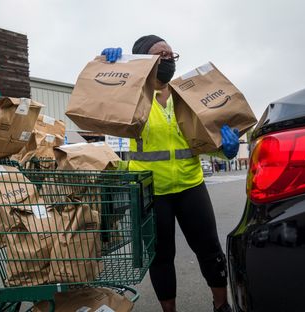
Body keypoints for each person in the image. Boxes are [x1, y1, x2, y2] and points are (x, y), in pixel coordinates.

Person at [101, 35, 239, 312]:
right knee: (161, 258)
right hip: (152, 191)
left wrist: (225, 150)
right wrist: (110, 66)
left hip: (191, 185)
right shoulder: (132, 97)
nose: (167, 60)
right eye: (160, 55)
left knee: (210, 250)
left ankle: (221, 305)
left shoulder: (186, 95)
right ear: (145, 61)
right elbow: (103, 102)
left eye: (171, 55)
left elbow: (200, 139)